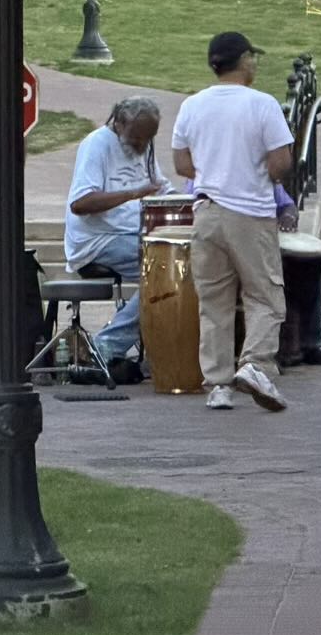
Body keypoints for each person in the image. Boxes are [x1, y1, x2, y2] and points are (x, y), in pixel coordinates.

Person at [171, 31, 293, 412]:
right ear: (243, 61)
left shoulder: (192, 105)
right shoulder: (262, 104)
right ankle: (255, 363)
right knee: (265, 296)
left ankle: (218, 384)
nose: (255, 64)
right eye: (252, 58)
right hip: (250, 213)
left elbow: (181, 164)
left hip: (206, 211)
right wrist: (261, 175)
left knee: (214, 302)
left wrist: (213, 170)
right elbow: (281, 162)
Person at [66, 95, 163, 372]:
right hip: (99, 240)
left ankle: (167, 349)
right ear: (119, 123)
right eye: (136, 140)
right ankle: (105, 347)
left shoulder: (145, 147)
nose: (142, 146)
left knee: (186, 266)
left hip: (135, 235)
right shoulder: (97, 145)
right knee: (162, 270)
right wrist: (133, 194)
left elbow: (161, 188)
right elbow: (80, 203)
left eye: (148, 140)